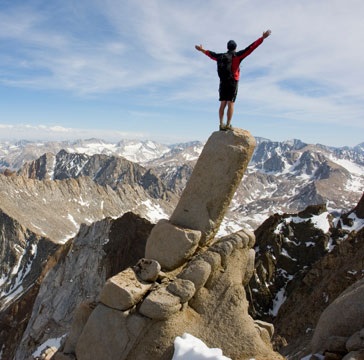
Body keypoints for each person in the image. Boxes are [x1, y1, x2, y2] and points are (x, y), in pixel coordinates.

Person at [195, 30, 271, 130]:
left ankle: (221, 124)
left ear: (227, 47)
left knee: (223, 103)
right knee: (231, 103)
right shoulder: (237, 56)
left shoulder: (220, 57)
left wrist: (201, 50)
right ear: (235, 48)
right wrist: (262, 38)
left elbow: (210, 54)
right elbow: (251, 48)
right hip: (232, 82)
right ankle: (228, 124)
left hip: (223, 82)